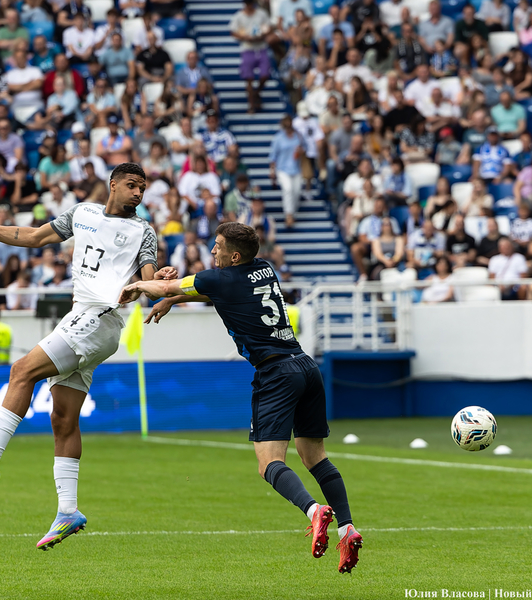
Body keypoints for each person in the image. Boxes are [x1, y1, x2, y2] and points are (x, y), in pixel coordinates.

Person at [0, 163, 178, 552]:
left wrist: (161, 283)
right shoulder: (82, 213)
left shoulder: (143, 231)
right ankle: (68, 510)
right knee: (63, 418)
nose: (138, 193)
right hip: (82, 317)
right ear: (113, 185)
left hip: (98, 318)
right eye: (132, 185)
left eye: (143, 188)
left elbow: (147, 281)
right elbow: (32, 236)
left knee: (21, 370)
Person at [118, 222, 363, 572]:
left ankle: (315, 511)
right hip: (306, 367)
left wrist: (142, 284)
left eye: (217, 246)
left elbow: (165, 285)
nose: (212, 251)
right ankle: (348, 527)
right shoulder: (264, 269)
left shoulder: (218, 278)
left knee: (269, 463)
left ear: (233, 255)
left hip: (275, 373)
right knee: (315, 457)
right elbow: (214, 291)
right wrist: (173, 298)